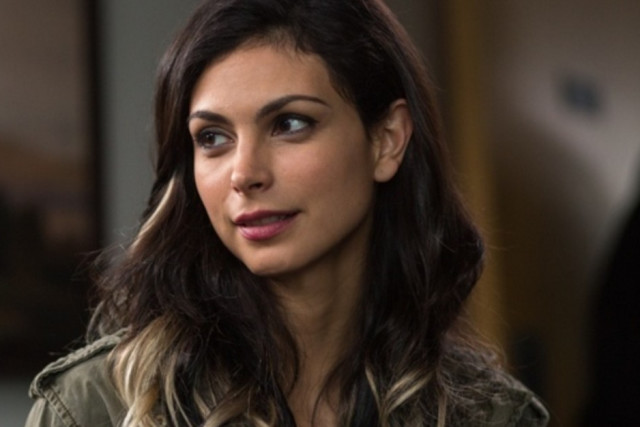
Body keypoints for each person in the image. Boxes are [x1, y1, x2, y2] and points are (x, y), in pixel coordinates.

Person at [25, 0, 549, 426]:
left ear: (387, 140)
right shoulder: (96, 408)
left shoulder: (491, 417)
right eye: (213, 138)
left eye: (290, 124)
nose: (244, 173)